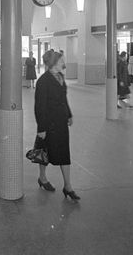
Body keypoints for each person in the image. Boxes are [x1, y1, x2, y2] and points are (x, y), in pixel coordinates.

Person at [34, 50, 79, 200]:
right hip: (49, 123)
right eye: (61, 61)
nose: (63, 63)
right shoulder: (43, 81)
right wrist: (41, 128)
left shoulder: (60, 77)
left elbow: (63, 99)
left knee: (64, 153)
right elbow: (39, 107)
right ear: (53, 63)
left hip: (61, 122)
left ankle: (68, 186)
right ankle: (42, 178)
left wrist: (69, 114)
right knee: (45, 152)